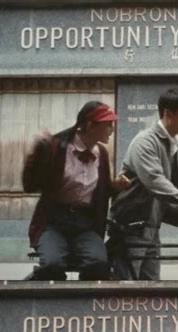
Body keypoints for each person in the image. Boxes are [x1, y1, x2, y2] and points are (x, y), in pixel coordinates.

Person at [109, 86, 178, 280]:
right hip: (132, 225)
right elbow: (155, 180)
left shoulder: (173, 144)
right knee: (125, 286)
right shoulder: (145, 142)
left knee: (151, 285)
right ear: (168, 113)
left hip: (152, 224)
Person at [22, 100, 129, 280]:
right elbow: (30, 185)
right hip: (53, 221)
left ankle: (84, 303)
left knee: (99, 264)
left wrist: (115, 186)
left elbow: (100, 191)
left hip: (85, 224)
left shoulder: (101, 153)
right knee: (52, 265)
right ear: (89, 126)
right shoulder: (57, 148)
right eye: (107, 125)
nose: (112, 129)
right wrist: (38, 155)